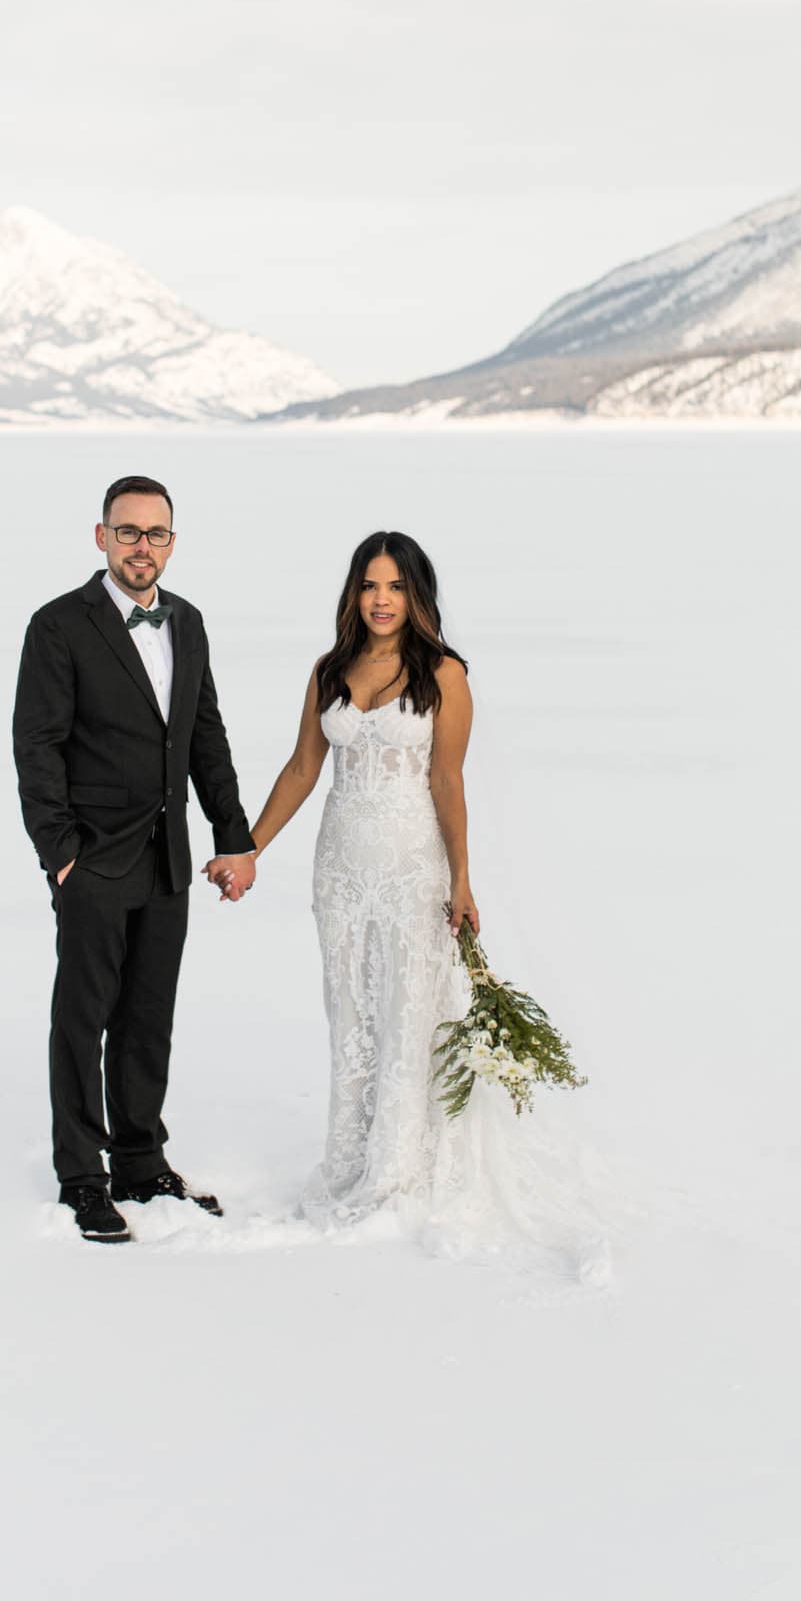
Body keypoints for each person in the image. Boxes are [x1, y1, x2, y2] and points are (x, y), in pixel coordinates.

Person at [228, 531, 613, 1275]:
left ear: (417, 596)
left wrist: (461, 878)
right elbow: (304, 768)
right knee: (352, 1014)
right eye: (370, 585)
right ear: (353, 592)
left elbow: (447, 780)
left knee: (408, 1014)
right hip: (340, 869)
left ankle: (401, 1171)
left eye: (396, 587)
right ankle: (351, 1162)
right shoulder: (329, 670)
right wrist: (249, 848)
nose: (381, 600)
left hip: (412, 867)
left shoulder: (443, 673)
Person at [12, 476, 257, 1245]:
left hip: (167, 859)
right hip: (92, 859)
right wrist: (60, 854)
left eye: (155, 534)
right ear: (101, 537)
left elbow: (204, 737)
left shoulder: (188, 621)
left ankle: (142, 1163)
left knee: (149, 1019)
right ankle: (82, 1175)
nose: (141, 546)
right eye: (127, 532)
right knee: (82, 1021)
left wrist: (233, 834)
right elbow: (37, 747)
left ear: (172, 543)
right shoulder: (58, 626)